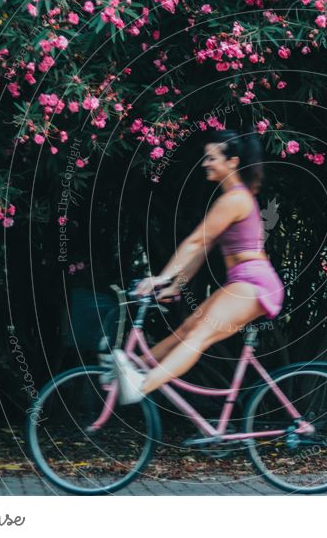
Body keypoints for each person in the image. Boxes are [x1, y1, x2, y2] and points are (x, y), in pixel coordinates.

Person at [112, 128, 285, 404]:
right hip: (243, 283)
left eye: (211, 158)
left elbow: (194, 242)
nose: (205, 163)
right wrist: (174, 285)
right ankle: (134, 368)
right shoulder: (232, 199)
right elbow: (202, 250)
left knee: (200, 335)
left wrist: (160, 278)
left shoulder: (235, 199)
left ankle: (142, 385)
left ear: (233, 162)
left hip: (255, 285)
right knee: (186, 331)